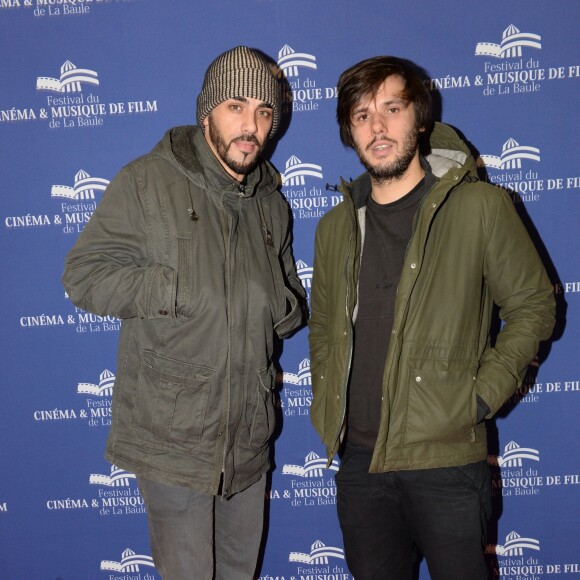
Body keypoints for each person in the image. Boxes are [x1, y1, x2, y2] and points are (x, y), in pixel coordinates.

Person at [63, 46, 306, 579]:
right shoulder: (148, 180)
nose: (252, 126)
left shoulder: (271, 202)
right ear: (206, 113)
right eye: (236, 107)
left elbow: (285, 293)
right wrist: (174, 287)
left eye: (265, 113)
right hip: (174, 439)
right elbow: (84, 276)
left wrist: (282, 307)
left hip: (249, 437)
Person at [308, 56, 555, 580]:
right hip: (360, 464)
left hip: (445, 462)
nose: (378, 127)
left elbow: (534, 305)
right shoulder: (334, 228)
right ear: (349, 133)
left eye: (392, 109)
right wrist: (327, 406)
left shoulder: (480, 207)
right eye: (361, 115)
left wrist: (481, 396)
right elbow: (325, 331)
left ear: (420, 119)